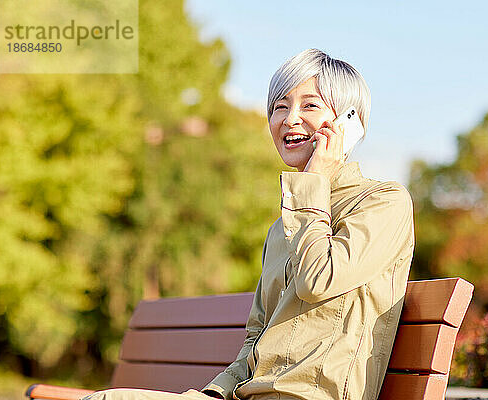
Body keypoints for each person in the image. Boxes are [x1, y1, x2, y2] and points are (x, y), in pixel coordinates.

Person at [84, 48, 414, 400]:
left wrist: (314, 182)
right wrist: (213, 394)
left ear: (348, 123)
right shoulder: (283, 227)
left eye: (310, 105)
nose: (289, 119)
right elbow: (256, 337)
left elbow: (318, 280)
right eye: (280, 107)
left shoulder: (384, 203)